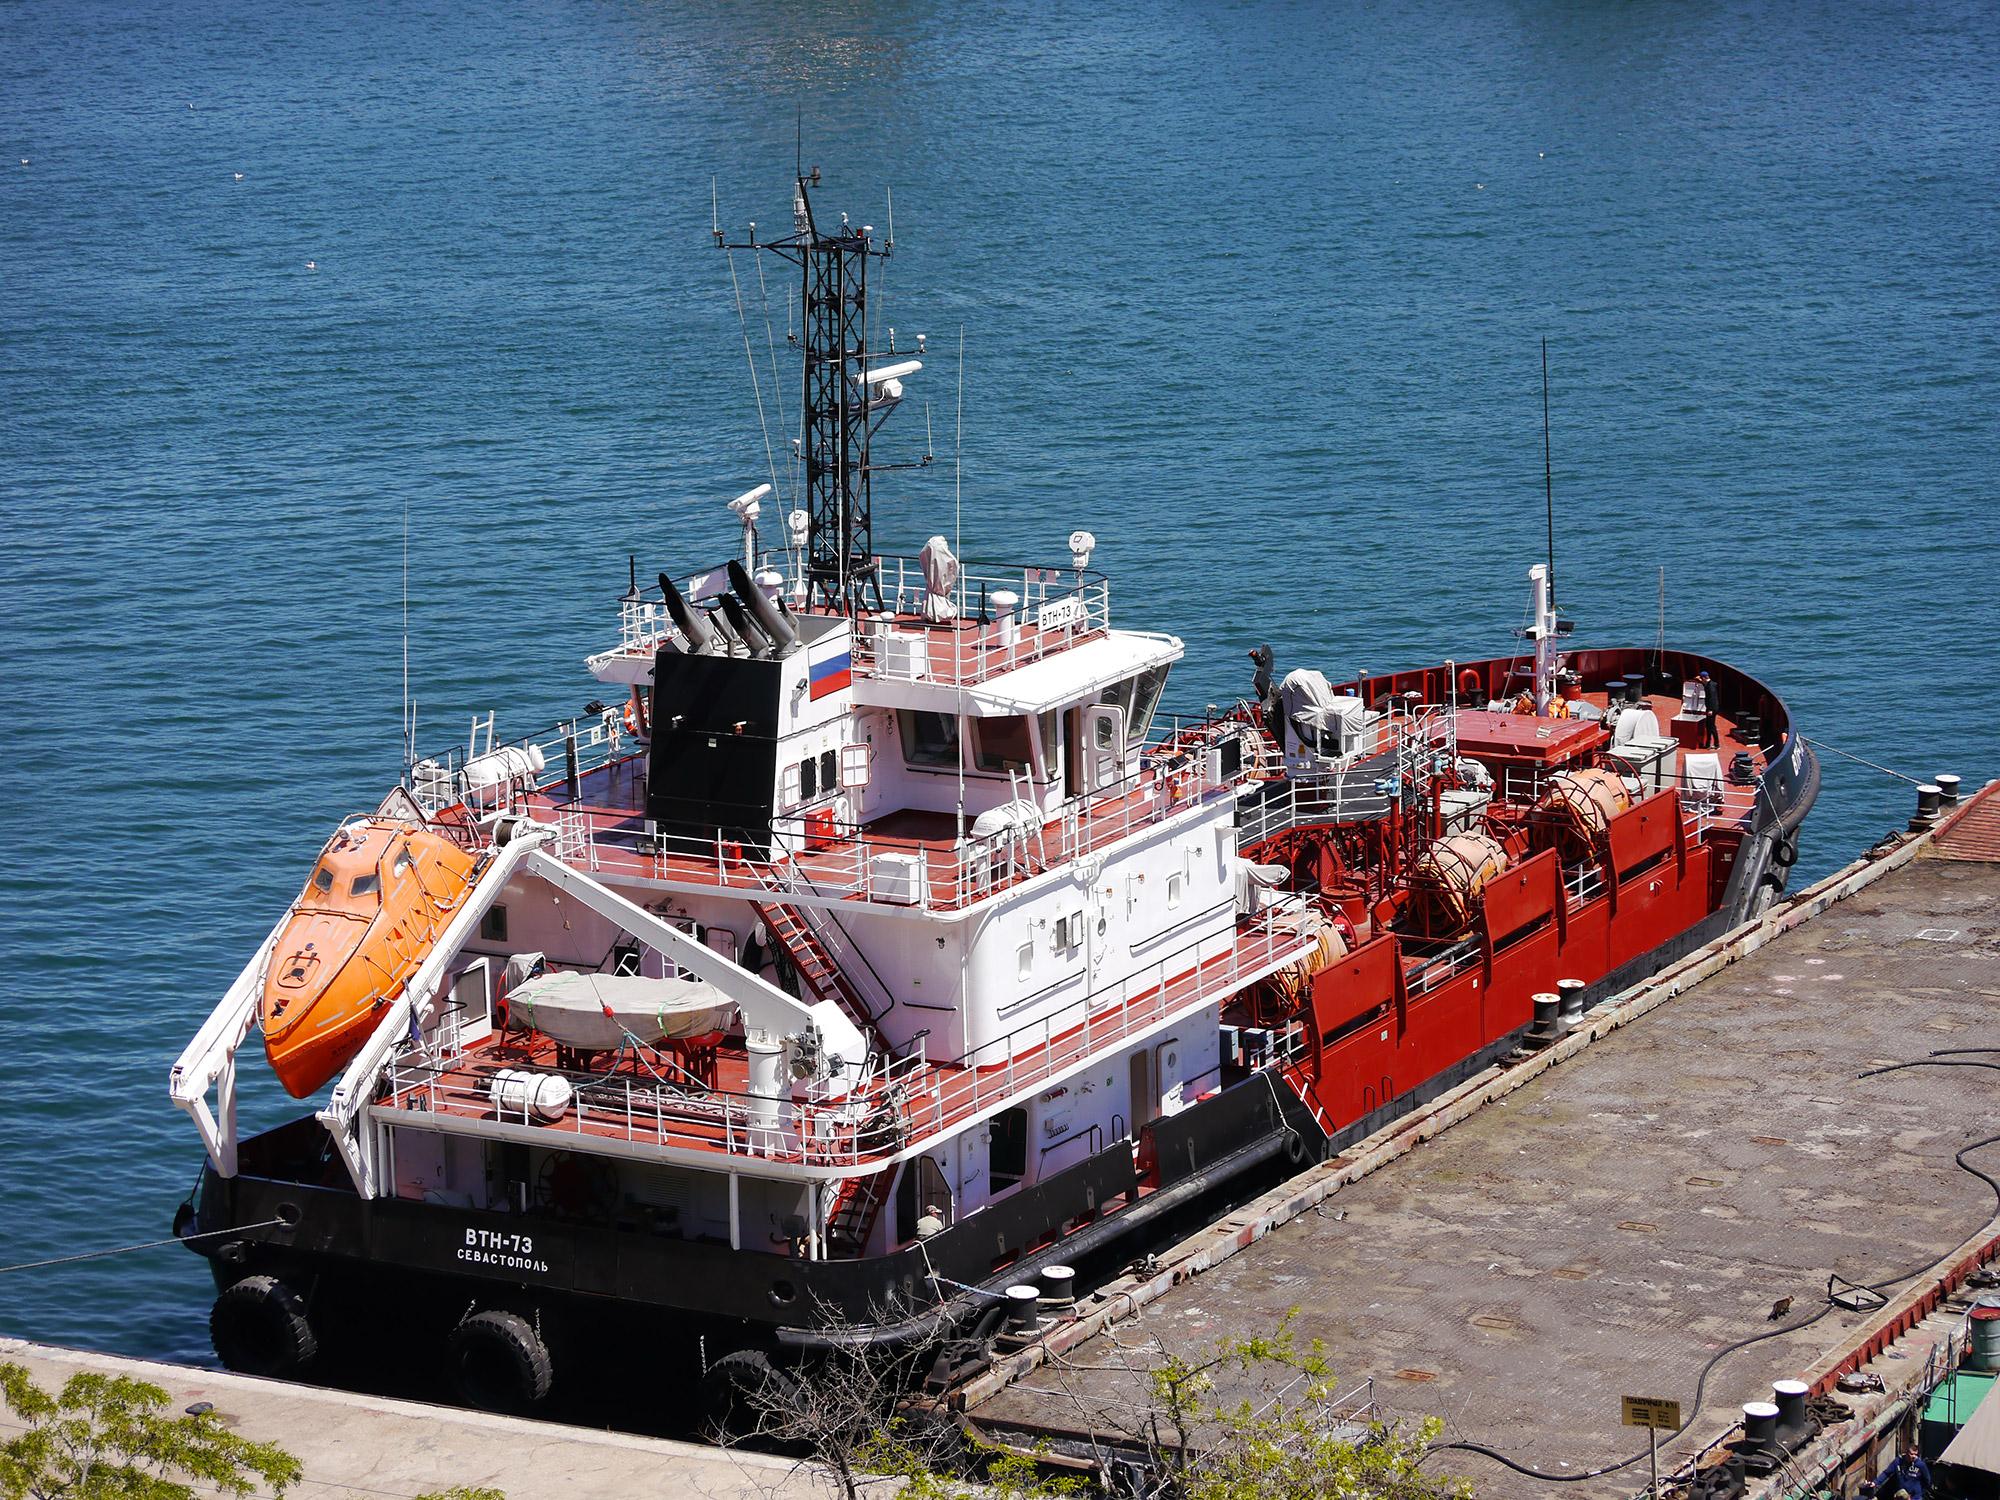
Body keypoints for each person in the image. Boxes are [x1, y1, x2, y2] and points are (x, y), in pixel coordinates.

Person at [1864, 1437, 1932, 1499]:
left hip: (1915, 1497)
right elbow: (1886, 1473)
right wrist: (1875, 1482)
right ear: (1906, 1452)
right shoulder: (1898, 1461)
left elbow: (1927, 1481)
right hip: (1900, 1496)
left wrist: (1919, 1493)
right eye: (1912, 1454)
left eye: (1915, 1454)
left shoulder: (1921, 1465)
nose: (1914, 1456)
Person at [1697, 670, 1720, 749]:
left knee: (1711, 726)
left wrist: (1710, 710)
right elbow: (1706, 685)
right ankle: (1708, 743)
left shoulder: (1710, 687)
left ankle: (1716, 744)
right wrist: (1700, 681)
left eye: (1701, 678)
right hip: (1713, 707)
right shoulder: (1712, 684)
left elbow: (1712, 698)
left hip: (1711, 708)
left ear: (1704, 678)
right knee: (1708, 725)